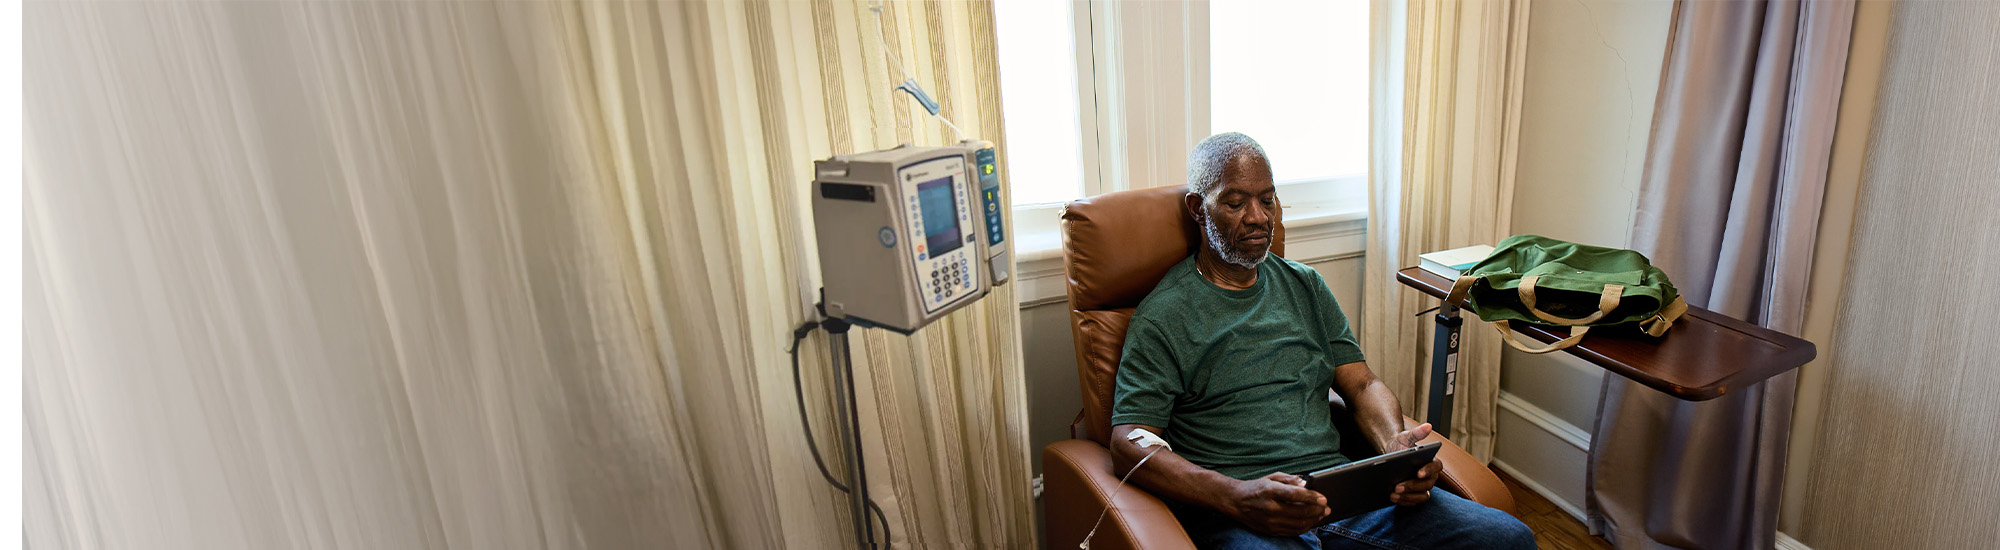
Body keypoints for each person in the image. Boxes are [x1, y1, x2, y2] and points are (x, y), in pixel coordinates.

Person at [1108, 133, 1535, 550]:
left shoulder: (1304, 286)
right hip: (1243, 512)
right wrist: (1234, 496)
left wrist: (1393, 447)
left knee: (1509, 538)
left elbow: (1362, 384)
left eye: (1267, 200)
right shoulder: (1164, 314)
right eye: (1235, 203)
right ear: (1198, 209)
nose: (1258, 217)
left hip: (1338, 493)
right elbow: (1129, 441)